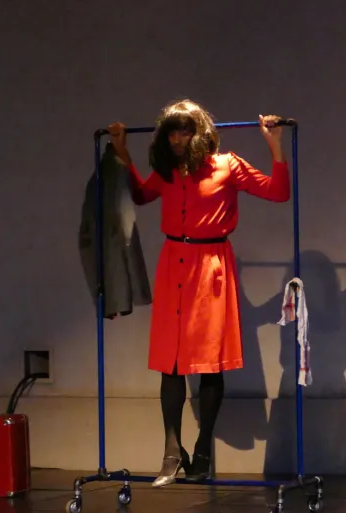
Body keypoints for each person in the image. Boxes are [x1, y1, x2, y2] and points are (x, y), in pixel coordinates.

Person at [107, 99, 291, 485]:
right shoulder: (168, 171)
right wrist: (122, 153)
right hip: (173, 263)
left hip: (210, 267)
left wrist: (274, 144)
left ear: (199, 132)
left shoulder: (227, 165)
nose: (177, 139)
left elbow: (278, 192)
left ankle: (203, 451)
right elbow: (140, 195)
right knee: (169, 360)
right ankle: (172, 452)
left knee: (209, 361)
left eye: (184, 131)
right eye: (171, 132)